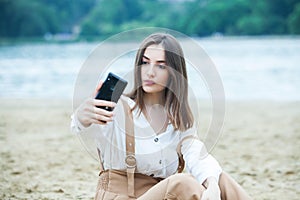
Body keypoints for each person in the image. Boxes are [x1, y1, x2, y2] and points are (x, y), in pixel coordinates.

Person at [71, 33, 252, 200]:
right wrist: (83, 115)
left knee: (220, 179)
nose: (150, 72)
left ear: (174, 73)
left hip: (162, 195)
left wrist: (212, 185)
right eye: (145, 62)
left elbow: (197, 155)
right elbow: (81, 124)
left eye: (160, 65)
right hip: (121, 196)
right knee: (183, 182)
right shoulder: (118, 107)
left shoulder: (178, 120)